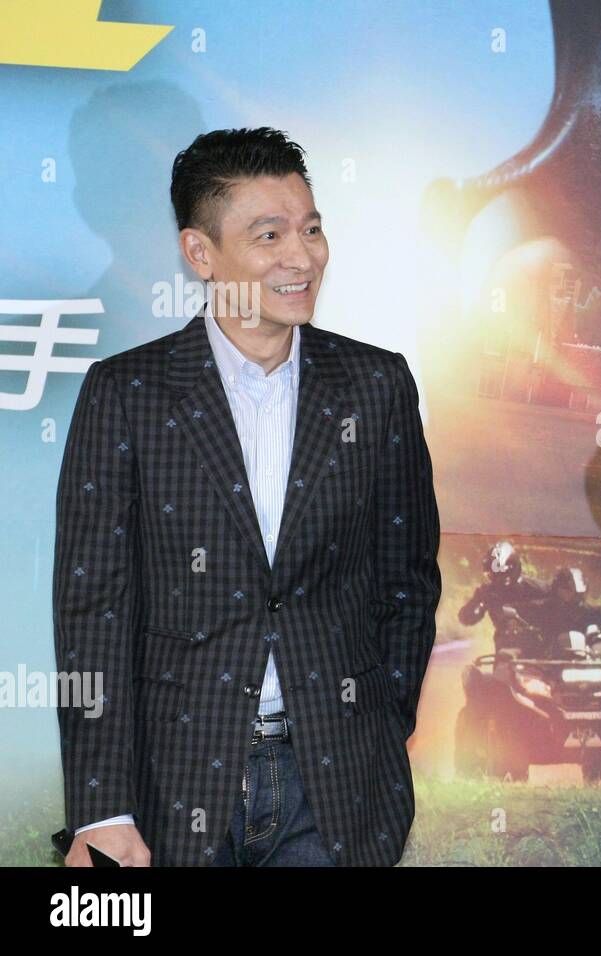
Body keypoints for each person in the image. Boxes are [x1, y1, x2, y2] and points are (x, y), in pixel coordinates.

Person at [52, 128, 441, 867]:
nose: (303, 256)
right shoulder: (126, 394)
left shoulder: (376, 385)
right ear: (201, 254)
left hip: (329, 784)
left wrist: (380, 724)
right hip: (174, 780)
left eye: (312, 228)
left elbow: (407, 577)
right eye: (270, 235)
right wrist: (101, 807)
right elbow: (90, 610)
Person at [458, 541, 547, 652]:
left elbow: (560, 605)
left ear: (513, 567)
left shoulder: (535, 588)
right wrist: (478, 603)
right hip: (506, 651)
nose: (500, 577)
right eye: (496, 573)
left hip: (539, 648)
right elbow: (466, 618)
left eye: (503, 572)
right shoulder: (488, 592)